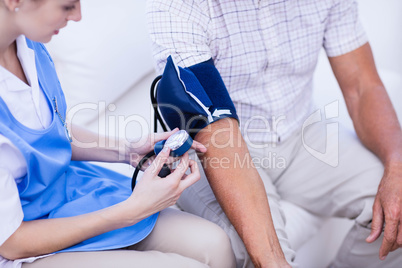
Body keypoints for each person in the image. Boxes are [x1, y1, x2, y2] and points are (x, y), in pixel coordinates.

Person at [147, 0, 402, 267]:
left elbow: (362, 86)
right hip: (218, 148)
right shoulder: (176, 5)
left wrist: (397, 166)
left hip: (301, 132)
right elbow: (216, 132)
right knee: (259, 253)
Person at [0, 0, 236, 267]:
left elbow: (52, 129)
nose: (78, 16)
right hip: (24, 243)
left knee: (214, 244)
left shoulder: (30, 44)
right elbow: (12, 242)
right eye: (67, 6)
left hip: (67, 196)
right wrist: (131, 211)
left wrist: (127, 151)